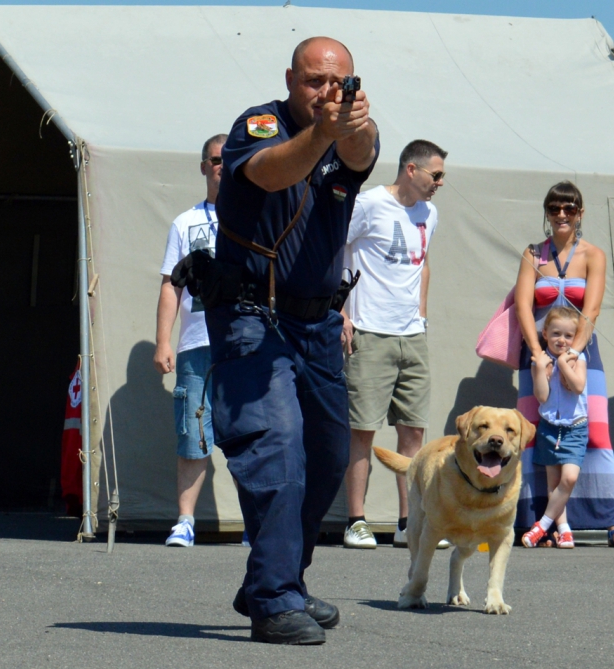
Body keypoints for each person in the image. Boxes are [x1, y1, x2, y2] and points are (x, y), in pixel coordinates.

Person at [208, 36, 378, 645]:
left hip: (319, 326)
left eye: (339, 83)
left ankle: (277, 579)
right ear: (290, 79)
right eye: (313, 81)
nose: (326, 93)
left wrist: (351, 123)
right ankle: (275, 600)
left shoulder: (351, 130)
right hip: (253, 317)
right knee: (276, 449)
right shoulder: (258, 125)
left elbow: (361, 153)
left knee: (330, 458)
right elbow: (274, 171)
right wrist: (323, 132)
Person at [513, 181, 614, 549]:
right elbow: (524, 306)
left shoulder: (593, 254)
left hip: (580, 353)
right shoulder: (533, 254)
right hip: (538, 353)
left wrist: (572, 354)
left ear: (580, 213)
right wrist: (539, 353)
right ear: (547, 213)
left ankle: (609, 521)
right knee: (537, 433)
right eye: (555, 209)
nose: (562, 215)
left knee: (595, 434)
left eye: (569, 208)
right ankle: (544, 522)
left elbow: (594, 308)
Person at [340, 139, 448, 550]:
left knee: (414, 433)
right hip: (369, 331)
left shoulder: (429, 212)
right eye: (435, 175)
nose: (440, 183)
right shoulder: (368, 205)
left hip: (411, 335)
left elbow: (423, 265)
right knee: (362, 429)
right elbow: (337, 248)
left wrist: (420, 315)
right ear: (410, 170)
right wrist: (342, 311)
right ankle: (356, 520)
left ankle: (410, 523)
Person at [154, 134, 227, 548]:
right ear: (203, 166)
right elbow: (171, 285)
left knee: (248, 433)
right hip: (197, 343)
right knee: (192, 430)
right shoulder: (185, 223)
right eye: (215, 160)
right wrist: (163, 340)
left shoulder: (257, 219)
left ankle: (255, 523)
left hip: (243, 344)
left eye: (228, 159)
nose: (222, 166)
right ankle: (185, 521)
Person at [521, 306, 590, 549]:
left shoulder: (577, 359)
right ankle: (564, 529)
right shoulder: (540, 362)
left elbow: (579, 387)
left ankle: (541, 525)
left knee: (569, 479)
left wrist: (562, 363)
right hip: (549, 428)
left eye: (568, 336)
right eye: (556, 334)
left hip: (575, 428)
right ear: (545, 334)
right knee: (553, 484)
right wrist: (541, 369)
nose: (562, 340)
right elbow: (541, 396)